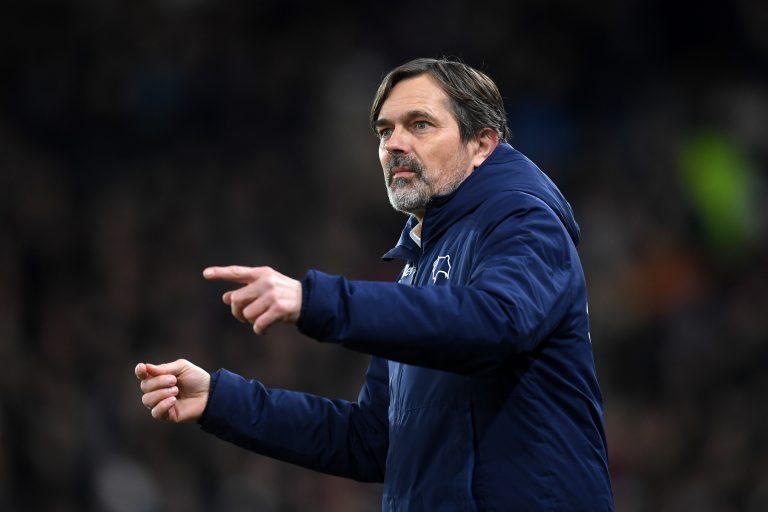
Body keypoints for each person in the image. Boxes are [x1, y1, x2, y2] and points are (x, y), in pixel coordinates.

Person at [135, 57, 614, 511]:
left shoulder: (524, 220)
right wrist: (221, 400)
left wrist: (315, 299)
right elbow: (370, 441)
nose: (394, 144)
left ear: (481, 144)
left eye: (420, 124)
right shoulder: (418, 262)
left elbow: (497, 322)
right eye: (385, 130)